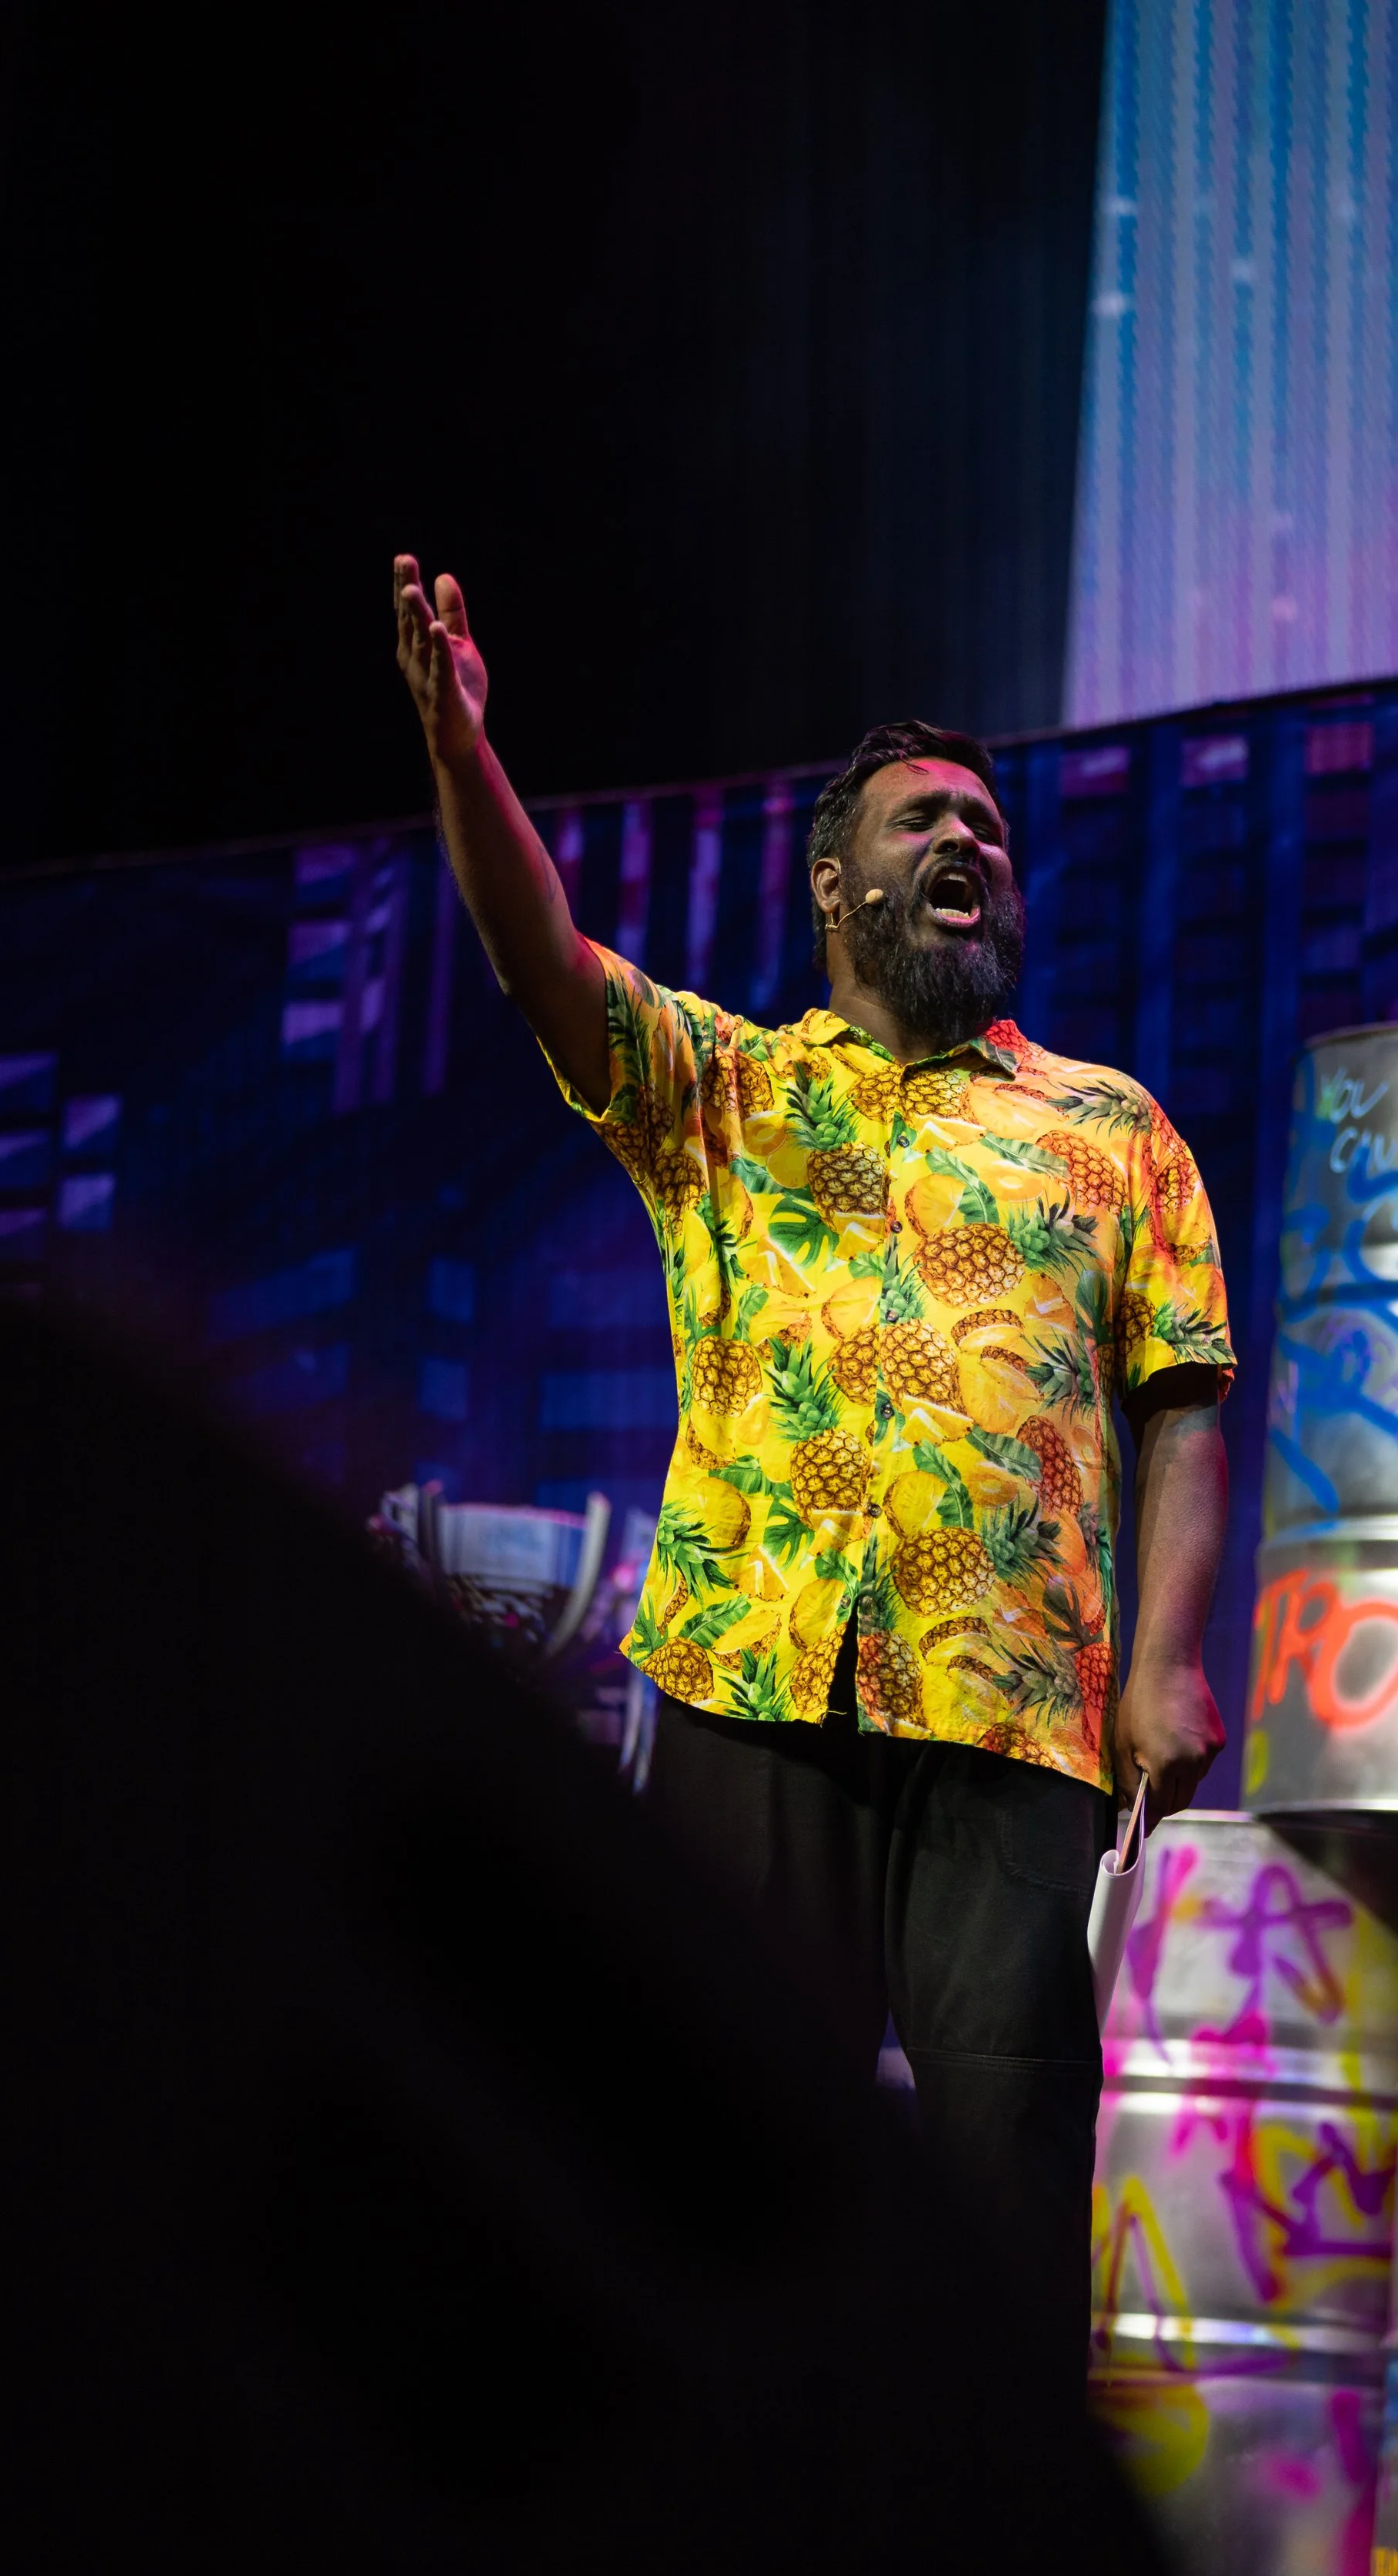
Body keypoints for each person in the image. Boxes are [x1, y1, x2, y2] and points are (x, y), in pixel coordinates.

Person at [394, 553, 1234, 2397]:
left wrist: (1166, 1663)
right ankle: (697, 2559)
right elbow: (540, 957)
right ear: (835, 880)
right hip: (750, 1687)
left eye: (990, 825)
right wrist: (465, 755)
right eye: (924, 816)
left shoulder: (1109, 1134)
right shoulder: (726, 1090)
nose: (969, 841)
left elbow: (1182, 1400)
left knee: (1008, 2155)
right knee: (706, 2141)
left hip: (1008, 1712)